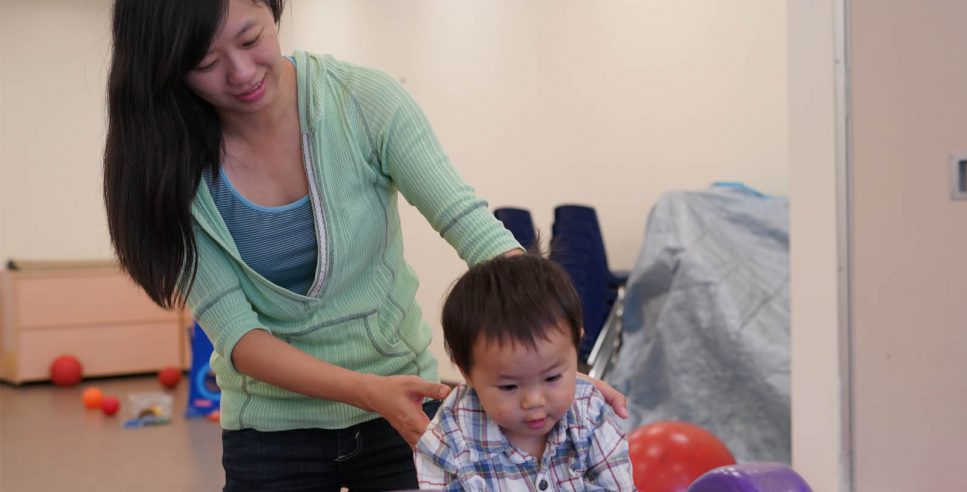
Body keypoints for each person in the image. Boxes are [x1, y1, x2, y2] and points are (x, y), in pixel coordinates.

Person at [103, 0, 627, 490]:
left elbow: (471, 226)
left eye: (250, 38)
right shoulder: (168, 169)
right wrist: (367, 391)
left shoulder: (363, 102)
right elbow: (240, 339)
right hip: (273, 432)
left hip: (401, 409)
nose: (241, 72)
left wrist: (553, 362)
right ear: (165, 67)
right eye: (206, 61)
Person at [416, 255, 636, 490]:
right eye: (509, 386)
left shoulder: (590, 412)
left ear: (576, 347)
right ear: (466, 372)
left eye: (552, 377)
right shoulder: (448, 438)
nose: (534, 401)